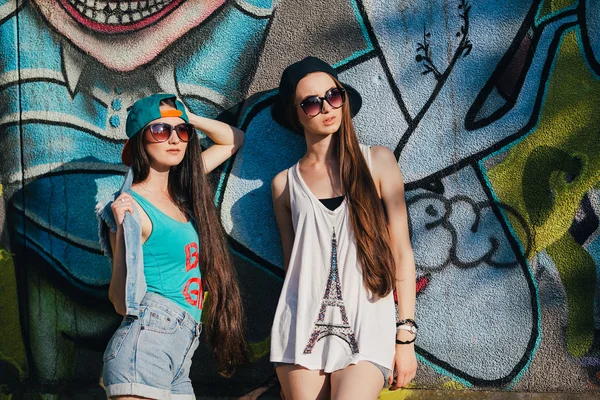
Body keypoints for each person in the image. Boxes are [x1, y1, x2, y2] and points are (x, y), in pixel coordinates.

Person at [269, 57, 418, 400]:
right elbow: (295, 268)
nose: (326, 107)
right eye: (311, 102)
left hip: (368, 323)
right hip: (301, 327)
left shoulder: (378, 162)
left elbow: (401, 251)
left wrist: (405, 334)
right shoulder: (284, 185)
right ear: (296, 114)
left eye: (333, 95)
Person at [95, 93, 248, 399]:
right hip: (145, 345)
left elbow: (235, 139)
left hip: (180, 352)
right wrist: (123, 233)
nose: (174, 139)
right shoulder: (131, 207)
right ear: (141, 141)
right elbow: (120, 302)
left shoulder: (182, 192)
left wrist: (188, 117)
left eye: (182, 132)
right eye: (161, 131)